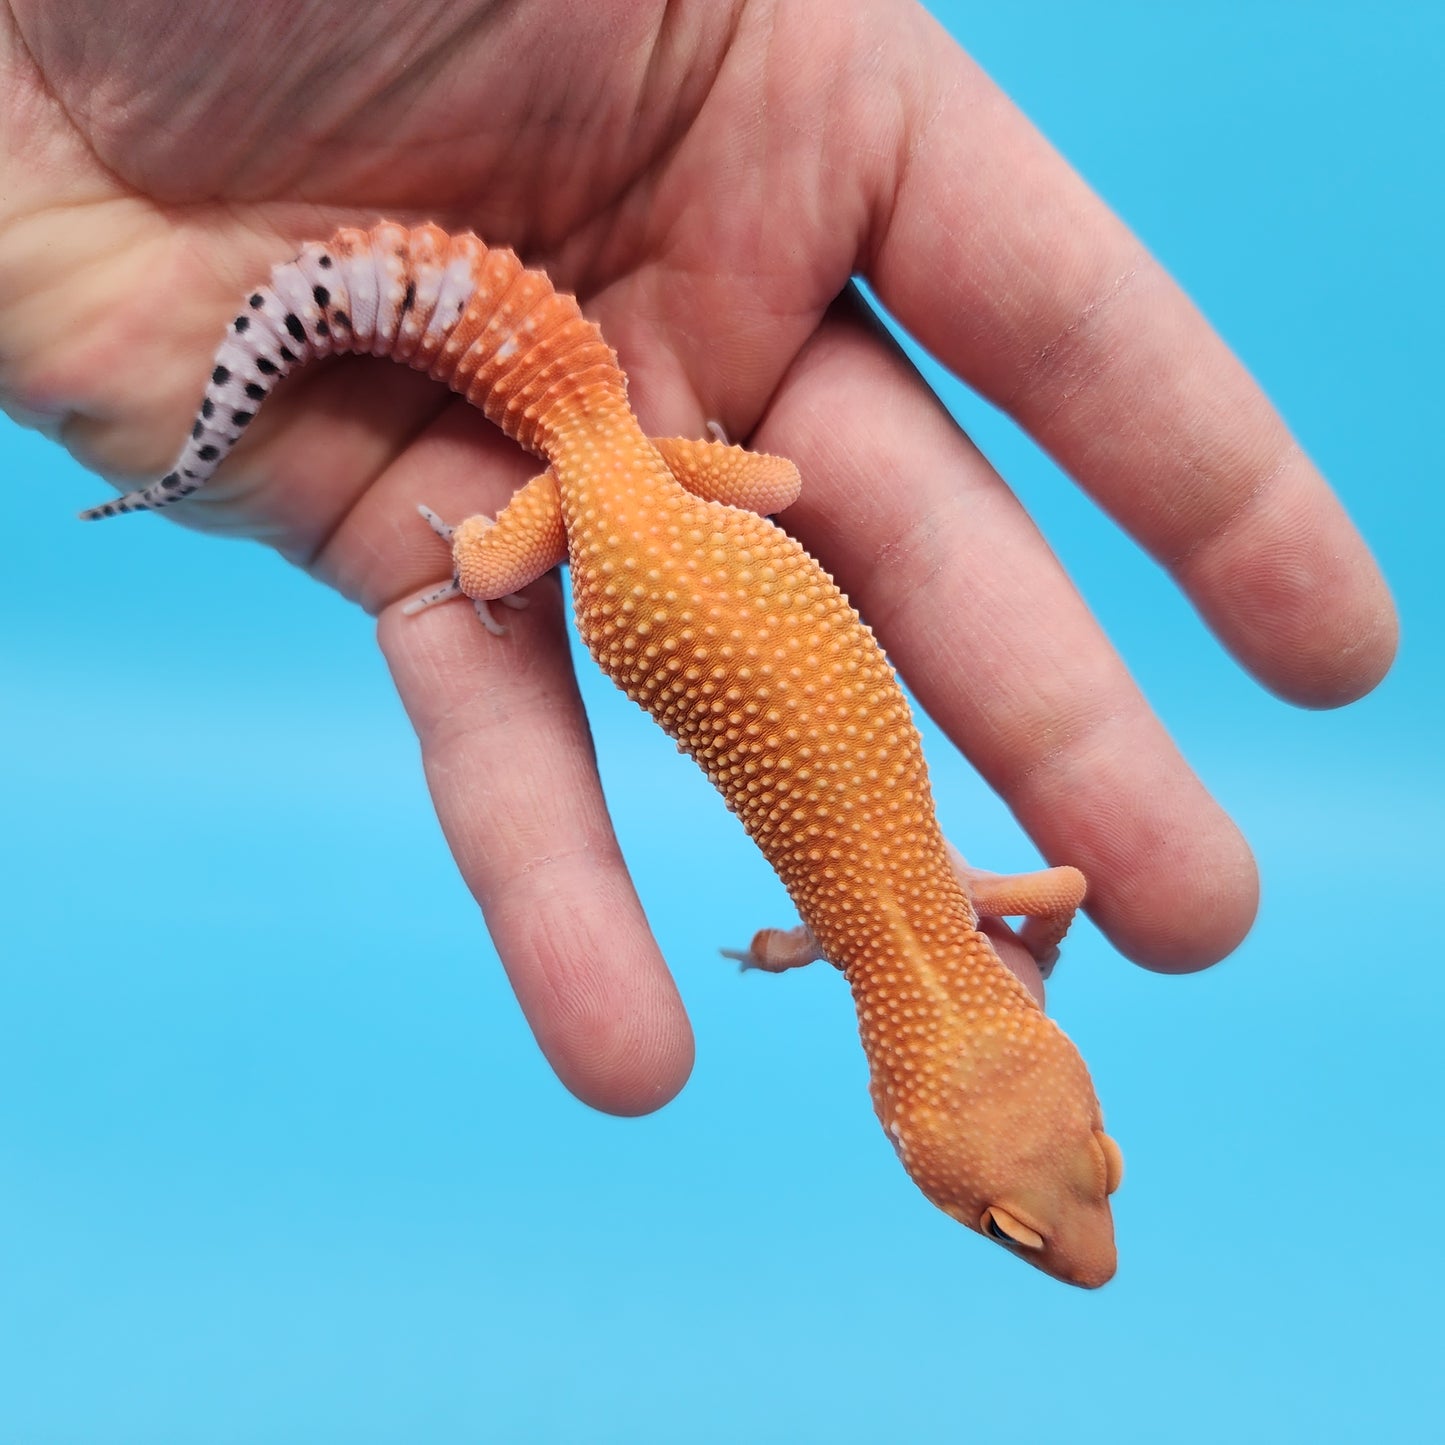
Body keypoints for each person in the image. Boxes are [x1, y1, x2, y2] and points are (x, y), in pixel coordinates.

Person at [0, 0, 1396, 1115]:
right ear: (891, 1098)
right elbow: (821, 943)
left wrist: (1023, 953)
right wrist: (491, 559)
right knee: (486, 579)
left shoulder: (978, 900)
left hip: (673, 479)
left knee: (768, 477)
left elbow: (1072, 892)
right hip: (599, 519)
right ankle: (476, 546)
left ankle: (506, 493)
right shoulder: (861, 940)